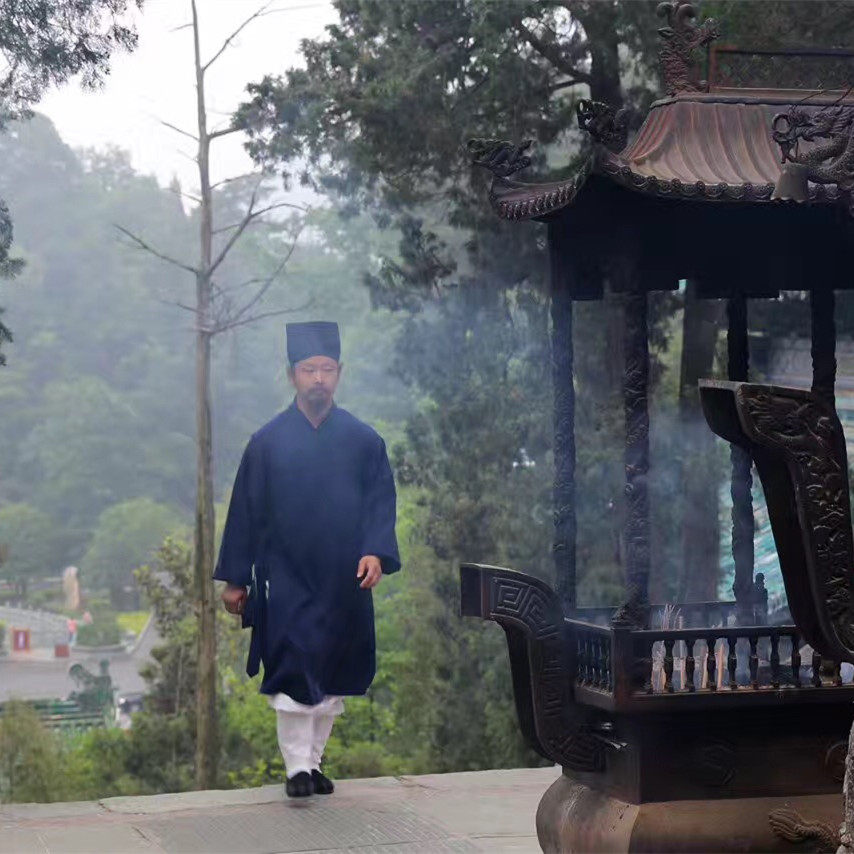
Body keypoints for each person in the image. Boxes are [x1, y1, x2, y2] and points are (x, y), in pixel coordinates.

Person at [215, 321, 400, 799]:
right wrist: (235, 579)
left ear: (340, 373)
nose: (319, 378)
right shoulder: (267, 443)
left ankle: (314, 762)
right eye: (308, 369)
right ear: (292, 375)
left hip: (344, 578)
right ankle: (296, 766)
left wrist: (375, 552)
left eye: (327, 369)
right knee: (293, 667)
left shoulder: (363, 441)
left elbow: (380, 503)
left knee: (334, 672)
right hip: (287, 577)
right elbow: (245, 512)